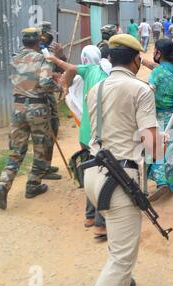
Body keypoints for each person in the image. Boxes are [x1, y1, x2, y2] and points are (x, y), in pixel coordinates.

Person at [85, 34, 161, 286]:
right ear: (136, 59)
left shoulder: (95, 90)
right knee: (121, 259)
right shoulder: (141, 90)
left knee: (119, 239)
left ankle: (122, 284)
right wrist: (162, 139)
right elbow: (153, 147)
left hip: (93, 174)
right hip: (119, 180)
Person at [47, 46, 110, 241]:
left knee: (91, 174)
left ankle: (90, 217)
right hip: (101, 135)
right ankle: (100, 225)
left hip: (85, 133)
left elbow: (69, 66)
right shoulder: (106, 72)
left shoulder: (87, 71)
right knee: (103, 177)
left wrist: (55, 60)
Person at [0, 28, 59, 210]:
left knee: (16, 150)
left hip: (17, 108)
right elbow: (46, 83)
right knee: (40, 148)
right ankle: (33, 185)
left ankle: (3, 183)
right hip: (37, 108)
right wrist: (59, 87)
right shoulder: (43, 59)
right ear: (38, 42)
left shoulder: (14, 57)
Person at [146, 39, 173, 202]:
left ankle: (162, 181)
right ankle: (172, 182)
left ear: (159, 53)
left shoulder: (157, 72)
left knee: (157, 148)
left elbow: (148, 92)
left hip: (161, 115)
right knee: (171, 148)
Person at [37, 21, 65, 181]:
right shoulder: (36, 51)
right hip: (41, 97)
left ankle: (45, 166)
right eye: (46, 34)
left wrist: (60, 55)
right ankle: (41, 169)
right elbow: (42, 76)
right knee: (44, 133)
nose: (49, 37)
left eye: (49, 35)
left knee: (53, 127)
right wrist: (57, 84)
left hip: (48, 95)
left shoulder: (46, 50)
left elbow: (59, 68)